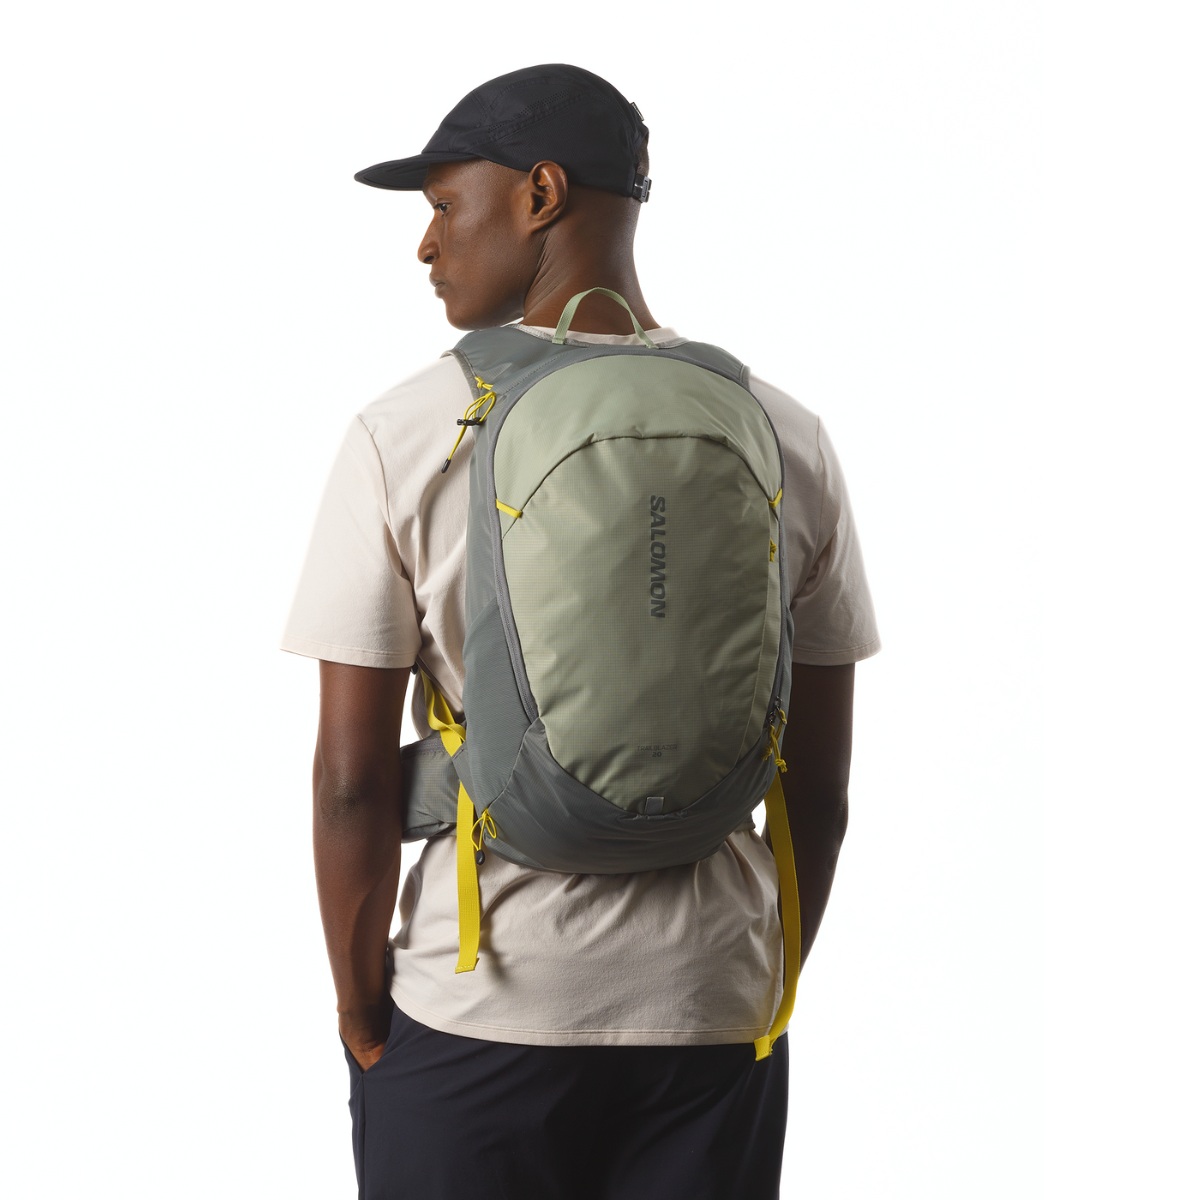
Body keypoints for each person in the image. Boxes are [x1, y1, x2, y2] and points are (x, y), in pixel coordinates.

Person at [282, 63, 880, 1200]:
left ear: (541, 193)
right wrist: (753, 978)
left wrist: (362, 1017)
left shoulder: (406, 432)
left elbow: (351, 785)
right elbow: (822, 785)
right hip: (712, 1016)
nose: (426, 243)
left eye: (445, 204)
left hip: (477, 1010)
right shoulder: (782, 431)